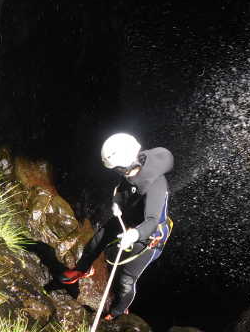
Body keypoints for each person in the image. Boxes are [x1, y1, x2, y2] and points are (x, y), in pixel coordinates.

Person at [59, 133, 174, 321]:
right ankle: (83, 269)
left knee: (126, 279)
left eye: (118, 169)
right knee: (97, 241)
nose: (118, 172)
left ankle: (118, 310)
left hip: (150, 236)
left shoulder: (156, 184)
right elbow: (124, 188)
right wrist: (117, 203)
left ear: (126, 164)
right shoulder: (132, 171)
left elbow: (153, 220)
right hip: (127, 220)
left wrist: (135, 234)